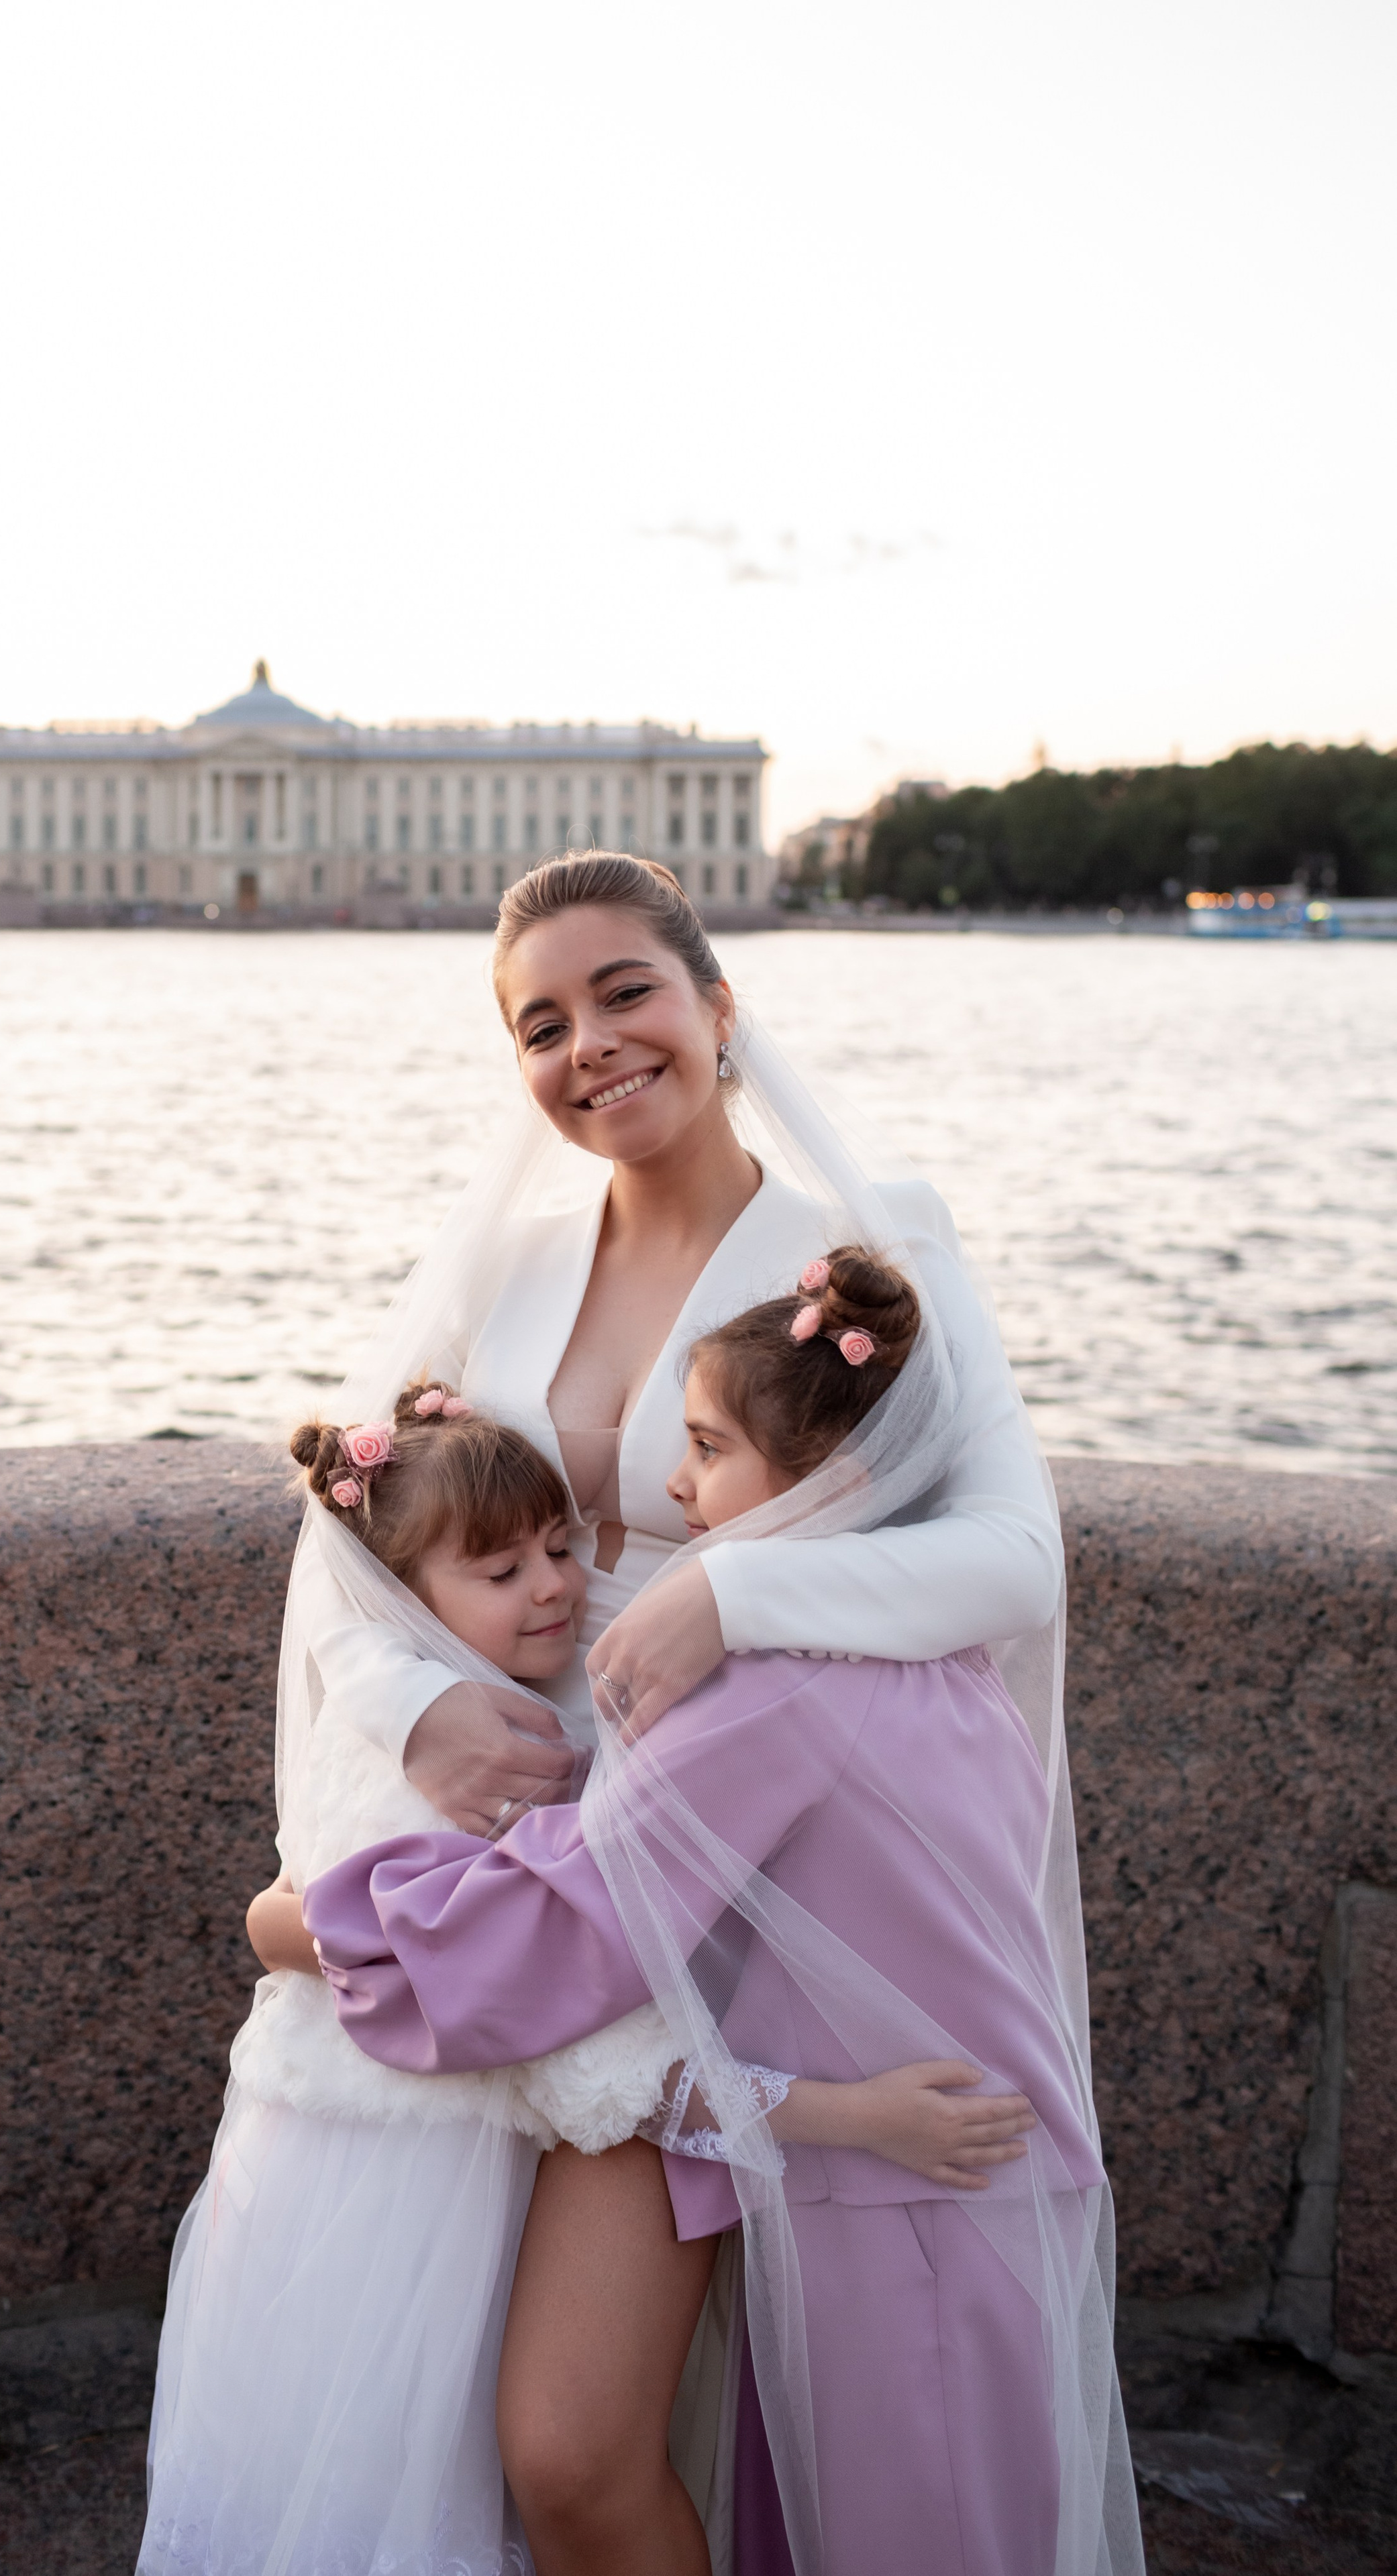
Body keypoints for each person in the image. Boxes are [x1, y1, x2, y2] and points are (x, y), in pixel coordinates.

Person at [275, 853, 1079, 2564]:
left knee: (602, 2432)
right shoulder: (496, 1267)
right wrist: (419, 1710)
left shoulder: (870, 1245)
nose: (589, 1047)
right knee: (443, 2407)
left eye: (625, 991)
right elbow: (341, 1557)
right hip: (506, 1836)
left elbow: (1013, 1557)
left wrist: (734, 1589)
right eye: (539, 1024)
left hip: (741, 1856)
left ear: (718, 1008)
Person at [303, 1254, 1139, 2576]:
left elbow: (572, 1920)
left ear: (822, 1486)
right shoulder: (928, 1641)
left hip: (897, 2202)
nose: (672, 1488)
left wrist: (325, 1926)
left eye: (703, 1448)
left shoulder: (768, 1690)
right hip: (976, 2165)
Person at [140, 1385, 682, 2576]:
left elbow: (296, 1915)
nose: (555, 1586)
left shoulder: (399, 1725)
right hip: (402, 2155)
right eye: (500, 1571)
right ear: (404, 1597)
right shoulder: (496, 1759)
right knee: (394, 2451)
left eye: (559, 1548)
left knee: (313, 2444)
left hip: (319, 2127)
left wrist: (282, 1928)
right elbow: (470, 1967)